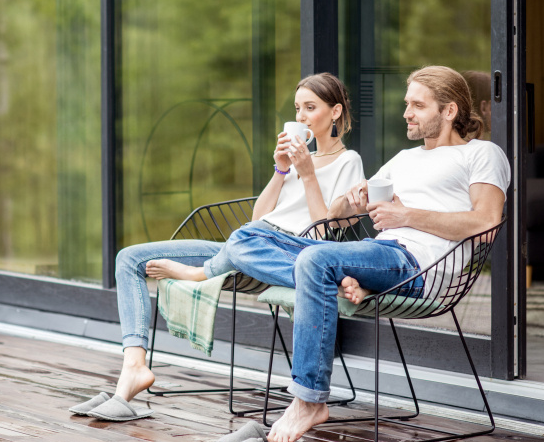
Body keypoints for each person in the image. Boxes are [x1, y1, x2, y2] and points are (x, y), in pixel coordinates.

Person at [216, 66, 510, 442]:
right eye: (407, 104)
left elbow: (486, 221)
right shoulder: (404, 159)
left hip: (417, 265)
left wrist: (406, 215)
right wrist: (350, 201)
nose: (406, 113)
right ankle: (331, 280)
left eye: (418, 105)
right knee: (246, 238)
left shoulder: (482, 154)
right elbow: (335, 215)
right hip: (376, 253)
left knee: (314, 262)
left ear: (449, 111)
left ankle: (309, 400)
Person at [70, 73, 365, 421]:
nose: (300, 117)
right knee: (129, 258)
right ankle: (133, 367)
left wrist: (309, 173)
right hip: (250, 244)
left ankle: (203, 273)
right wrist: (282, 171)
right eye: (297, 108)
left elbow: (322, 236)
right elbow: (259, 218)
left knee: (244, 239)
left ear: (335, 112)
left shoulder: (349, 162)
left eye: (310, 108)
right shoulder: (295, 161)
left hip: (292, 252)